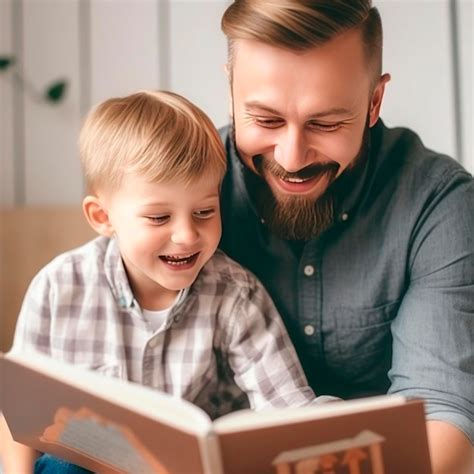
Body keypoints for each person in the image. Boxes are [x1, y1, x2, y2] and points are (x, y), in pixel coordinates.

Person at [0, 90, 329, 473]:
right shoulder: (59, 288)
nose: (188, 235)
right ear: (102, 217)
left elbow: (286, 408)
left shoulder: (235, 295)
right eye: (159, 218)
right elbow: (17, 415)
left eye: (205, 211)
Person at [218, 1, 473, 473]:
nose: (291, 158)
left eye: (325, 123)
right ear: (231, 89)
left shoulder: (438, 203)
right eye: (266, 121)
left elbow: (441, 418)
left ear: (375, 101)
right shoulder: (189, 189)